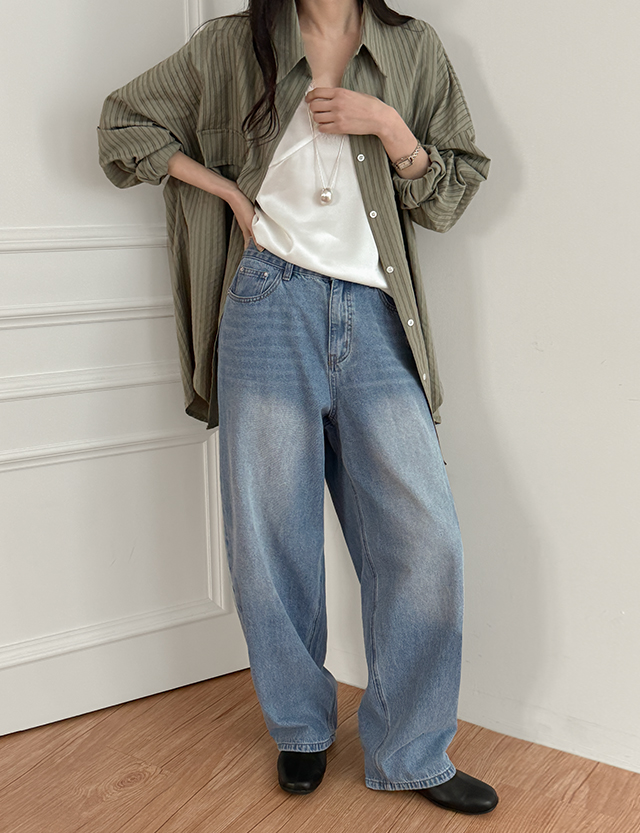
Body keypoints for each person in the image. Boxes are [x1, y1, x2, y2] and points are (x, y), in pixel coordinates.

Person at [98, 0, 496, 816]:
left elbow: (450, 197)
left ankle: (412, 748)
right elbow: (122, 126)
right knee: (271, 534)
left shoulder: (412, 49)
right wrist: (228, 194)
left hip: (376, 313)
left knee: (425, 538)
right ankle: (301, 727)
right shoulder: (230, 45)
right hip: (266, 299)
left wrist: (389, 126)